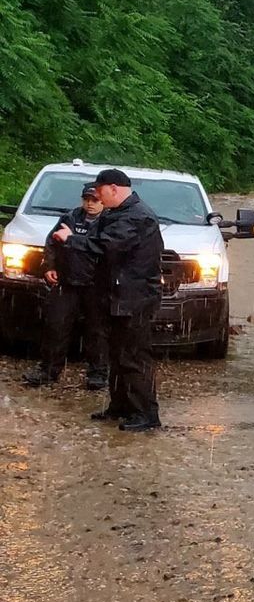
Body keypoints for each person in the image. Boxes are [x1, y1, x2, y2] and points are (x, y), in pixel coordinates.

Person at [53, 169, 164, 432]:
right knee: (117, 355)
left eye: (100, 192)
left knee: (133, 357)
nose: (98, 198)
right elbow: (97, 242)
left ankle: (147, 413)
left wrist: (72, 240)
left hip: (134, 299)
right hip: (116, 296)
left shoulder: (137, 217)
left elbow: (105, 246)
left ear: (113, 189)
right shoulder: (118, 213)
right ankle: (121, 406)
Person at [22, 184, 109, 389]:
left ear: (103, 201)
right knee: (56, 326)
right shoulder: (69, 218)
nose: (90, 204)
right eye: (86, 199)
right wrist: (49, 266)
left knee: (97, 331)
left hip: (95, 285)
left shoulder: (109, 222)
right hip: (67, 282)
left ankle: (98, 374)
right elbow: (52, 243)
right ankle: (48, 370)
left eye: (95, 200)